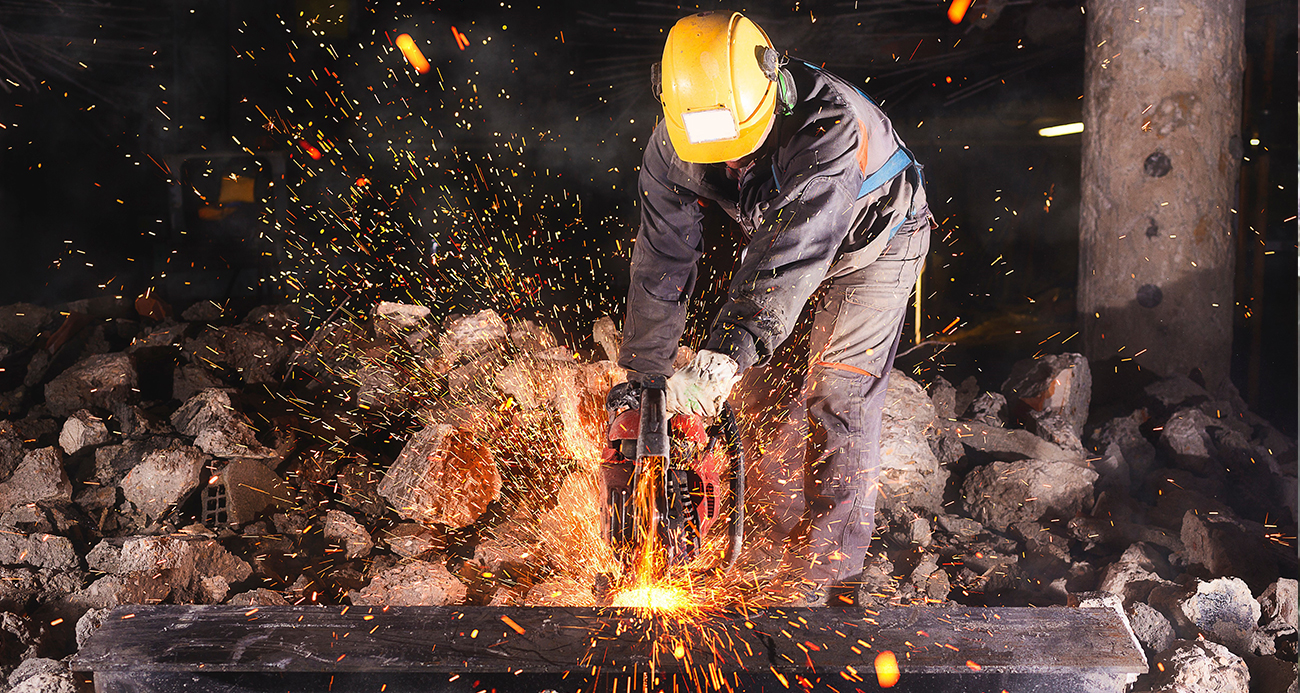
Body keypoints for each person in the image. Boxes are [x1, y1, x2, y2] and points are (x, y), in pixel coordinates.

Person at [616, 11, 933, 605]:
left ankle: (828, 575)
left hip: (877, 243)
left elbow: (789, 259)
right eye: (719, 157)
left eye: (742, 150)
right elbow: (661, 263)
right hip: (783, 240)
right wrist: (645, 376)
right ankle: (759, 544)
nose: (731, 166)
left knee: (836, 396)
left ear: (772, 93)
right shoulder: (672, 145)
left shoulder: (828, 127)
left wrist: (720, 358)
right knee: (755, 401)